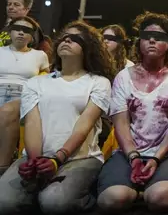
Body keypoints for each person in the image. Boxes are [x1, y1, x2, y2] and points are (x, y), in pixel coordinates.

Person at [0, 21, 113, 214]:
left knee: (55, 203)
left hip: (80, 158)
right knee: (4, 202)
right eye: (64, 37)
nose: (67, 40)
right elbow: (32, 122)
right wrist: (35, 162)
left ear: (88, 48)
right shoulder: (36, 82)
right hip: (36, 157)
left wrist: (57, 159)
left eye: (76, 38)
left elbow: (84, 124)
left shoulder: (98, 82)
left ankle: (85, 198)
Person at [97, 12, 168, 213]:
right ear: (139, 41)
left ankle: (154, 187)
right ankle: (136, 189)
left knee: (160, 198)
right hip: (129, 153)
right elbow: (121, 123)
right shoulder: (124, 77)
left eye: (159, 37)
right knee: (111, 199)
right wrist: (133, 157)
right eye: (147, 36)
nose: (151, 40)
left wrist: (156, 158)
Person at [0, 17, 50, 176]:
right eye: (17, 28)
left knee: (7, 112)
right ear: (10, 31)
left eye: (27, 30)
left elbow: (46, 80)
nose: (21, 32)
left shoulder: (40, 55)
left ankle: (2, 166)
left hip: (23, 95)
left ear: (32, 36)